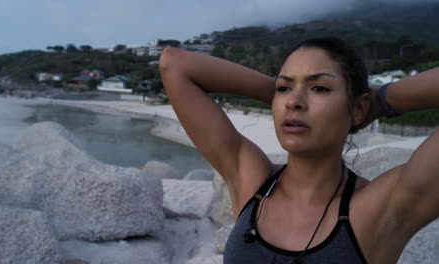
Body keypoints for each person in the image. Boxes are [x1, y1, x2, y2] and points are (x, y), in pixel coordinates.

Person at [159, 37, 438, 264]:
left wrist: (381, 101)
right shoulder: (252, 182)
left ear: (358, 109)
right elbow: (174, 63)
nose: (294, 102)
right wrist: (288, 92)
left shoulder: (384, 207)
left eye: (319, 87)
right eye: (283, 88)